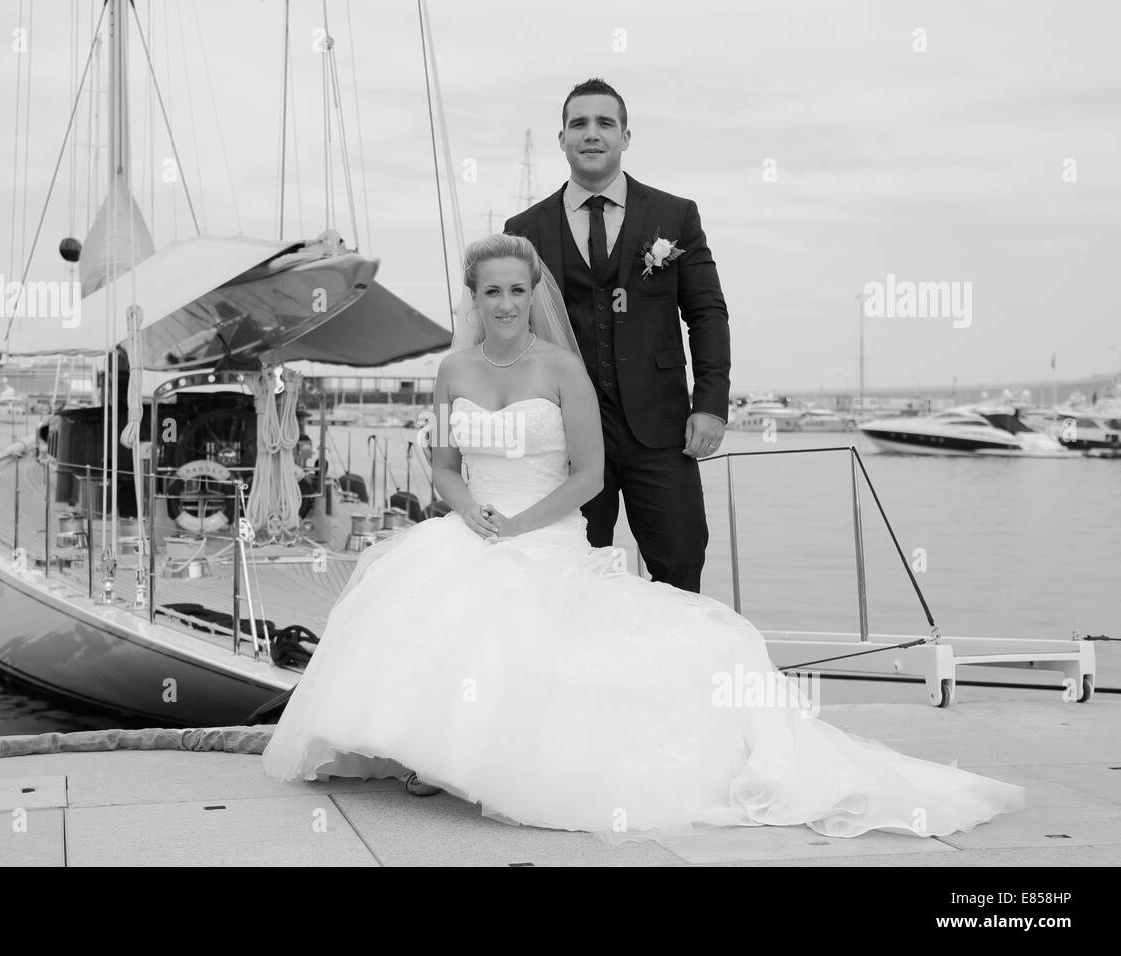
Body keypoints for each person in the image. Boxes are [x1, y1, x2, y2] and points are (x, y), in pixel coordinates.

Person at [260, 235, 1024, 844]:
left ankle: (489, 761)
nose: (504, 303)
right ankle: (431, 756)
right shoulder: (452, 369)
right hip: (473, 523)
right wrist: (466, 513)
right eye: (490, 290)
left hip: (544, 526)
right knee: (422, 598)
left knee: (562, 635)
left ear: (533, 295)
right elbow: (445, 463)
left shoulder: (560, 367)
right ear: (474, 297)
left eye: (517, 290)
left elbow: (590, 474)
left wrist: (520, 527)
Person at [504, 78, 728, 593]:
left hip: (663, 432)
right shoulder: (524, 229)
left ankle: (673, 672)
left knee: (680, 565)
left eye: (605, 123)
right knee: (570, 574)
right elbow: (509, 330)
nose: (592, 133)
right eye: (578, 124)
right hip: (566, 438)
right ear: (561, 138)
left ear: (626, 136)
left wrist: (711, 404)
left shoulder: (676, 216)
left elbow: (708, 314)